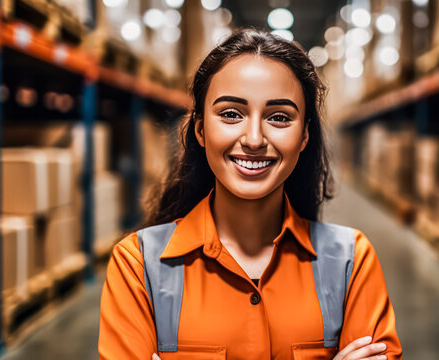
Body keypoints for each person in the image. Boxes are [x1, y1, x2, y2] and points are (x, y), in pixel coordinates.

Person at [99, 29, 402, 360]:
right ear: (200, 129)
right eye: (231, 114)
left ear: (303, 137)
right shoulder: (137, 267)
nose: (254, 138)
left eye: (279, 117)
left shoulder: (351, 262)